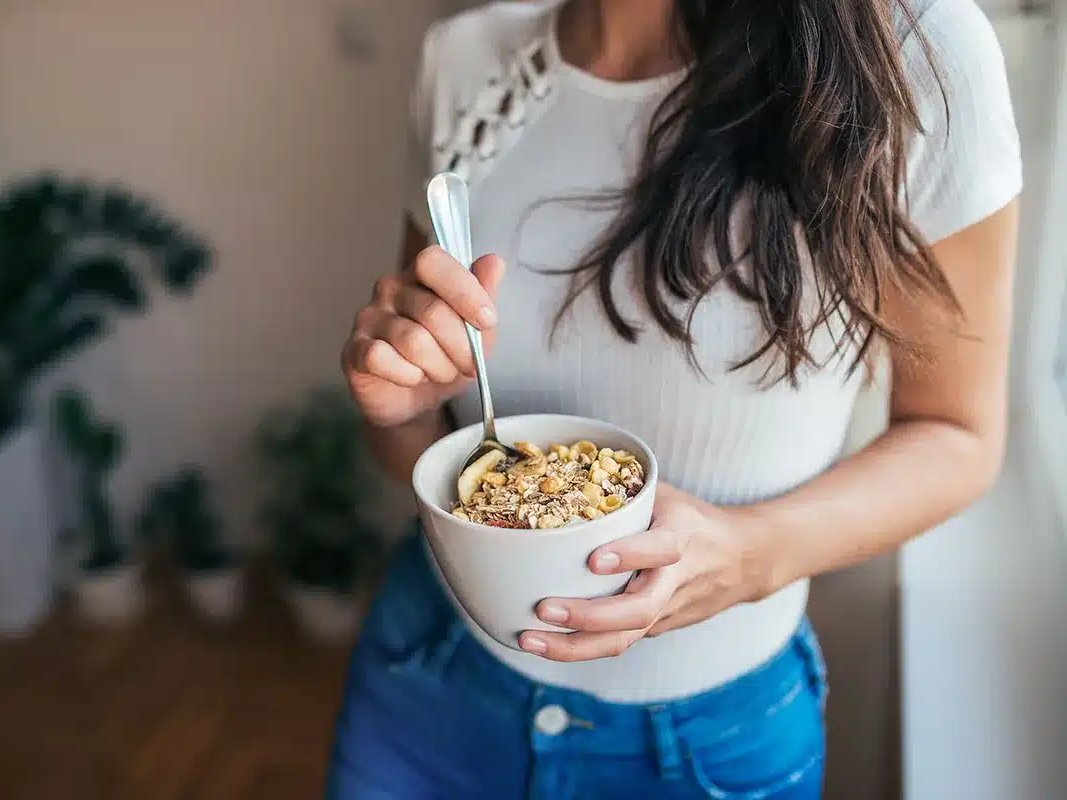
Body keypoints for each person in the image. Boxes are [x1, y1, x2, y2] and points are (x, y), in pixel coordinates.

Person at [330, 0, 1022, 796]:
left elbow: (959, 434)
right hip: (430, 683)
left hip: (704, 745)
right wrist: (406, 401)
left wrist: (748, 555)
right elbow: (413, 452)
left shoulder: (917, 50)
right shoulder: (463, 59)